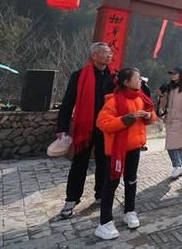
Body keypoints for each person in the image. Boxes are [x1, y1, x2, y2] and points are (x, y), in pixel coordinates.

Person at [94, 68, 157, 240]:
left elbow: (153, 117)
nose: (140, 82)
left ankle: (130, 211)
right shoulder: (113, 101)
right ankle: (104, 223)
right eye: (137, 79)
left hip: (134, 148)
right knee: (111, 183)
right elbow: (103, 123)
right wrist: (129, 118)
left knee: (131, 180)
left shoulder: (141, 98)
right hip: (115, 151)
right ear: (126, 82)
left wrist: (147, 116)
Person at [56, 42, 115, 219]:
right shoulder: (79, 76)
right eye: (105, 52)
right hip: (86, 127)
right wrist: (62, 128)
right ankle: (71, 200)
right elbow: (67, 103)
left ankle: (101, 194)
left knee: (104, 163)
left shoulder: (114, 77)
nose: (109, 55)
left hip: (106, 127)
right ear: (94, 56)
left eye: (110, 53)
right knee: (79, 164)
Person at [161, 67, 182, 179]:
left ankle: (177, 166)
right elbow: (164, 104)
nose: (172, 75)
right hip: (171, 120)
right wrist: (162, 96)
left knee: (172, 146)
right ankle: (180, 166)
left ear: (181, 74)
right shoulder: (171, 88)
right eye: (171, 73)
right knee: (176, 146)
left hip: (180, 121)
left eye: (175, 73)